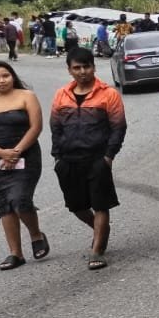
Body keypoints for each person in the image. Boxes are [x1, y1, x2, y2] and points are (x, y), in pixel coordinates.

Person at [49, 47, 126, 270]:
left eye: (87, 66)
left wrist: (109, 156)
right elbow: (56, 127)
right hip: (68, 159)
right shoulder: (61, 95)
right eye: (77, 68)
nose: (82, 71)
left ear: (93, 67)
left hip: (97, 158)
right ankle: (100, 229)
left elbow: (118, 127)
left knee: (101, 204)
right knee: (76, 205)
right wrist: (57, 157)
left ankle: (97, 250)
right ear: (69, 70)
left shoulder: (108, 94)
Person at [0, 61, 50, 271]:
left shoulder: (27, 96)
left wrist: (16, 151)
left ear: (12, 76)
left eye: (5, 75)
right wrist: (0, 152)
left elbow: (36, 126)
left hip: (26, 155)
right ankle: (16, 253)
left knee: (20, 199)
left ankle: (36, 235)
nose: (1, 80)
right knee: (4, 204)